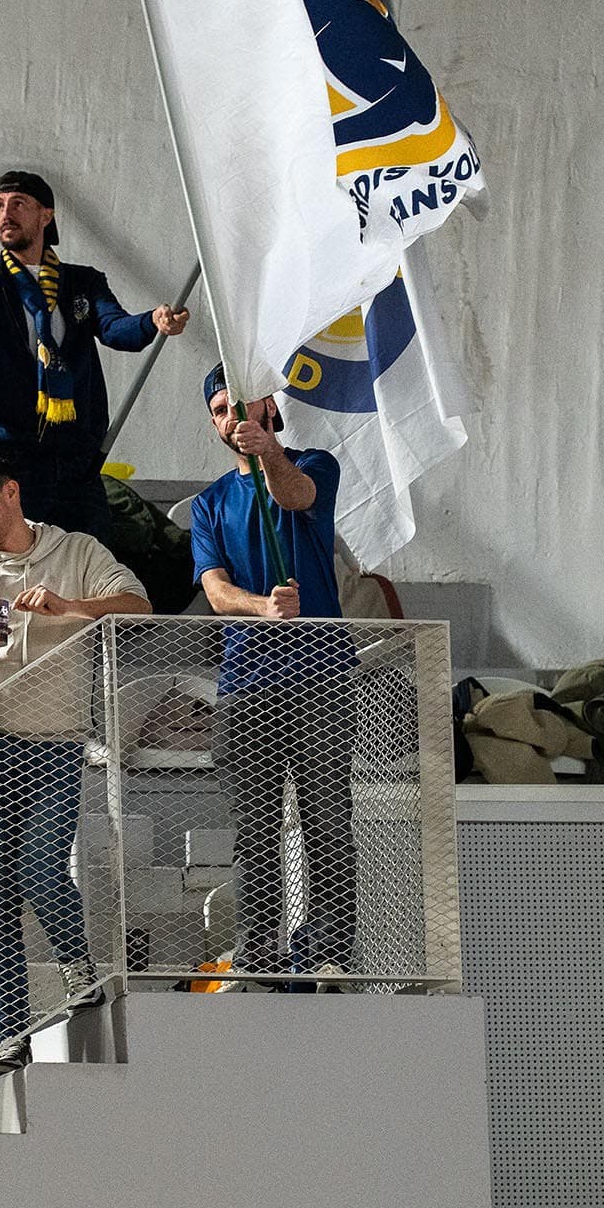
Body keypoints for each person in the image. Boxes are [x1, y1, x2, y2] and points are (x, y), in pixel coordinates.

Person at [0, 454, 151, 1056]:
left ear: (11, 491)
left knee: (39, 864)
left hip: (57, 739)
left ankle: (81, 975)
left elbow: (139, 605)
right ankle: (11, 1033)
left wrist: (69, 607)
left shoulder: (76, 552)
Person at [189, 366, 357, 986]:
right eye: (218, 410)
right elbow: (214, 590)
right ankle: (258, 955)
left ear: (266, 404)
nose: (229, 416)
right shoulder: (209, 504)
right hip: (247, 685)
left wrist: (271, 454)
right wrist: (262, 607)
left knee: (326, 818)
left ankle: (331, 949)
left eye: (238, 403)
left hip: (319, 675)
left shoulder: (316, 463)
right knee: (253, 828)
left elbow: (299, 498)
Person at [0, 170, 189, 544]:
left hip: (75, 457)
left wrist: (153, 321)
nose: (5, 214)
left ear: (46, 214)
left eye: (18, 204)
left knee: (89, 565)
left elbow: (114, 328)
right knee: (22, 564)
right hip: (13, 454)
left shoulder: (81, 281)